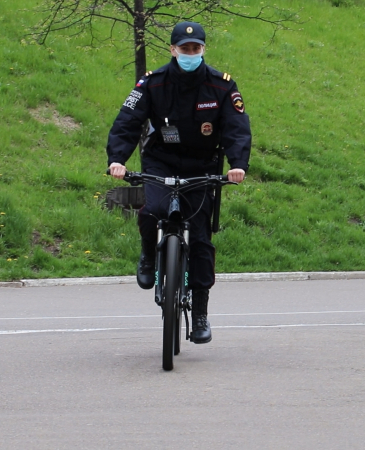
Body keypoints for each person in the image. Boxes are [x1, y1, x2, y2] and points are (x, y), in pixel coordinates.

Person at [106, 21, 251, 344]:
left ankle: (199, 311)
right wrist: (117, 159)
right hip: (162, 160)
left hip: (202, 165)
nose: (190, 54)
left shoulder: (221, 86)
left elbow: (236, 127)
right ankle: (147, 254)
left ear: (203, 50)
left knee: (199, 238)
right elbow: (128, 121)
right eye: (184, 49)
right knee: (152, 209)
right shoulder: (152, 84)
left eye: (195, 48)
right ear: (172, 50)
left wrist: (237, 165)